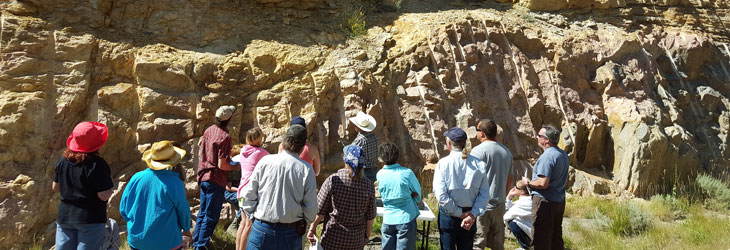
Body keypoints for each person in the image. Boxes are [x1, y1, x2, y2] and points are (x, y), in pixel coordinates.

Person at [241, 125, 317, 250]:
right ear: (303, 147)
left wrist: (252, 218)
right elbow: (311, 208)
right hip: (290, 232)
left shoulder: (265, 161)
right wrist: (304, 223)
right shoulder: (306, 169)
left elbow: (249, 195)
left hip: (261, 227)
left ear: (284, 141)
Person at [120, 140, 192, 250]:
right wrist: (186, 229)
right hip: (166, 243)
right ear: (173, 161)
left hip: (137, 241)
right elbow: (183, 211)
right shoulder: (175, 183)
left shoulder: (136, 178)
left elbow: (123, 209)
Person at [53, 121, 114, 250]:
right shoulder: (97, 164)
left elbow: (55, 188)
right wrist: (110, 190)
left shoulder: (63, 160)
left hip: (65, 216)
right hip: (90, 218)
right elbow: (103, 196)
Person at [307, 145, 376, 250]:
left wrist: (312, 228)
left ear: (345, 161)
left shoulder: (333, 180)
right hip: (356, 241)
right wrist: (366, 237)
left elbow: (319, 210)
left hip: (333, 238)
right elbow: (370, 217)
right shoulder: (369, 186)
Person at [433, 127, 490, 250]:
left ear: (449, 144)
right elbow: (484, 194)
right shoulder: (479, 164)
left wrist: (459, 214)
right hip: (469, 213)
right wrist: (471, 215)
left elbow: (441, 195)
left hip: (449, 214)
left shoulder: (443, 164)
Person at [194, 105, 240, 249]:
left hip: (204, 177)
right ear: (229, 119)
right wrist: (236, 166)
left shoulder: (209, 130)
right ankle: (201, 246)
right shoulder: (225, 137)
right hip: (215, 178)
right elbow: (222, 164)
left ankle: (197, 242)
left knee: (202, 213)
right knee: (211, 216)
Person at [521, 125, 569, 250]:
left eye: (539, 135)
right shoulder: (562, 154)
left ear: (546, 140)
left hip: (545, 202)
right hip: (558, 201)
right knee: (555, 238)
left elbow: (543, 183)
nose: (537, 137)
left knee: (540, 239)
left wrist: (528, 182)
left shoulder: (547, 157)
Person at [472, 119, 513, 250]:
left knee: (478, 242)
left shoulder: (478, 151)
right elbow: (509, 179)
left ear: (482, 133)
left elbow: (472, 179)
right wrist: (503, 197)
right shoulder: (506, 152)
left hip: (481, 204)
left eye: (477, 130)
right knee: (497, 244)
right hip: (499, 203)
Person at [376, 143, 421, 250]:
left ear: (381, 157)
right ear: (397, 155)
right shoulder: (407, 173)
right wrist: (412, 195)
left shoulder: (380, 174)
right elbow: (418, 194)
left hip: (388, 218)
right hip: (406, 217)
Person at [235, 128, 269, 250]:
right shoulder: (261, 152)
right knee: (249, 224)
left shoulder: (244, 150)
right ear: (258, 138)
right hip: (250, 192)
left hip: (241, 191)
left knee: (242, 223)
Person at [349, 111, 379, 183]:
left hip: (364, 171)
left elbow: (351, 155)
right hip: (374, 169)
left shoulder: (360, 140)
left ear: (358, 127)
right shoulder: (374, 136)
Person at [503, 181, 533, 250]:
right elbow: (510, 208)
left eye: (516, 187)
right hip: (531, 229)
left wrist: (508, 226)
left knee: (512, 222)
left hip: (531, 231)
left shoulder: (524, 203)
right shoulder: (528, 199)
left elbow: (506, 216)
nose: (514, 188)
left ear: (522, 192)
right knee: (512, 219)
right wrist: (509, 196)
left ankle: (525, 246)